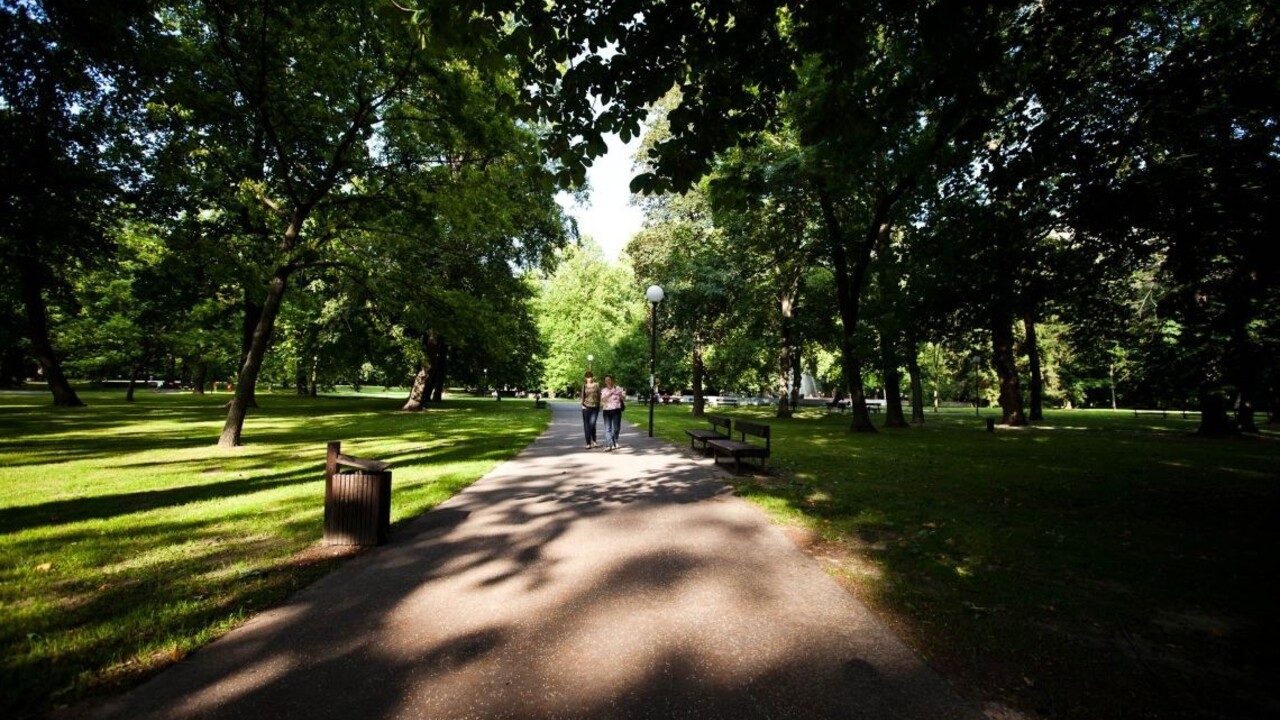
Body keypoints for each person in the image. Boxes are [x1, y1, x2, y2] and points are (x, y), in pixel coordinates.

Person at [600, 374, 626, 451]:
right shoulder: (604, 390)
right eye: (606, 380)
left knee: (617, 428)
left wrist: (620, 395)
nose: (608, 381)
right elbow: (603, 400)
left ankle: (615, 440)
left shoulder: (618, 388)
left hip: (616, 410)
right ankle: (609, 444)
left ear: (612, 380)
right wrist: (611, 393)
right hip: (607, 411)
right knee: (608, 429)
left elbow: (624, 398)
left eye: (609, 380)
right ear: (605, 382)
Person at [580, 370, 601, 449]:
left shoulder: (596, 385)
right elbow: (582, 396)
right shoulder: (584, 386)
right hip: (586, 407)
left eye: (590, 377)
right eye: (588, 377)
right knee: (586, 426)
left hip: (595, 407)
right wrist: (582, 405)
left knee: (592, 424)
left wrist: (599, 405)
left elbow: (599, 396)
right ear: (585, 378)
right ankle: (588, 443)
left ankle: (594, 441)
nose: (589, 378)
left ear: (593, 377)